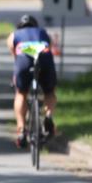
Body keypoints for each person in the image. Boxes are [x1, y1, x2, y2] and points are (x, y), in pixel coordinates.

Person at [8, 14, 57, 148]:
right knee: (49, 92)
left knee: (21, 93)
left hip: (24, 60)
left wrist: (16, 77)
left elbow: (15, 58)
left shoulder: (14, 35)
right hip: (44, 58)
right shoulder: (43, 32)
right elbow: (51, 48)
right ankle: (48, 115)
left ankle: (21, 129)